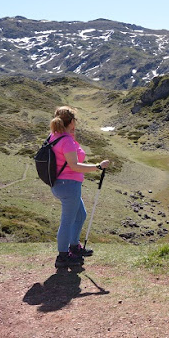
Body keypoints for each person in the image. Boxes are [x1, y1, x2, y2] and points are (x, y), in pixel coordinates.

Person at [49, 106, 110, 268]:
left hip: (61, 184)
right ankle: (63, 256)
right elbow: (74, 166)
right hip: (68, 185)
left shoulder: (55, 136)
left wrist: (72, 137)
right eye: (75, 120)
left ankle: (74, 247)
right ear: (71, 122)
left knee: (80, 215)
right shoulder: (66, 140)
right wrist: (98, 166)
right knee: (67, 221)